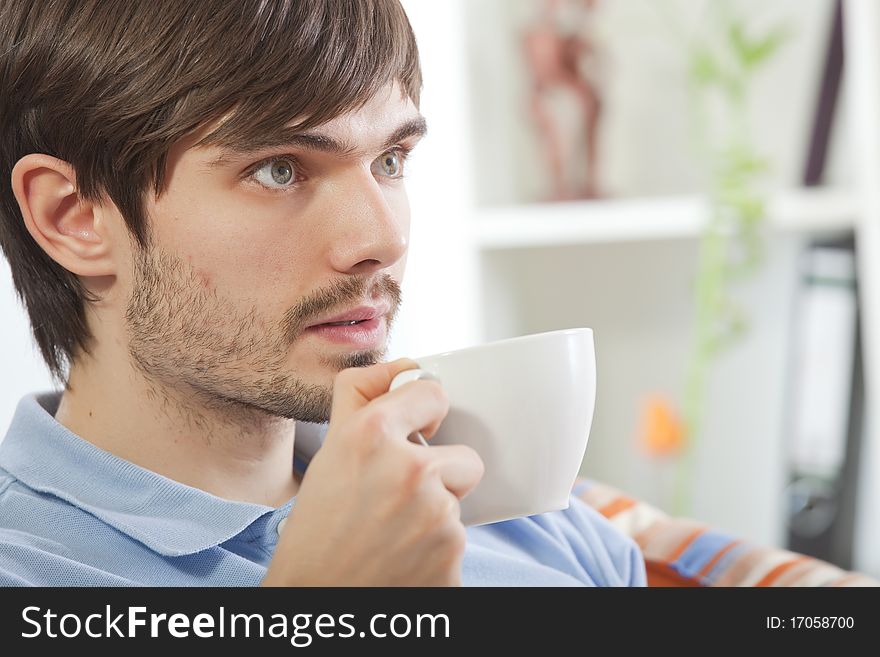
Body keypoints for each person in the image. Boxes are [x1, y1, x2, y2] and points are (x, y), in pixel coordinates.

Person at [0, 0, 645, 587]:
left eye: (390, 161)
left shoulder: (530, 524)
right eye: (279, 170)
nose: (383, 240)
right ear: (73, 217)